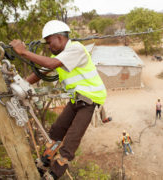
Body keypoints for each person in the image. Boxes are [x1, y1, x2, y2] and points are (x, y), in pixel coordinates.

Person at [10, 20, 107, 180]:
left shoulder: (76, 49)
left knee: (70, 142)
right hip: (76, 99)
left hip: (90, 100)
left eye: (49, 42)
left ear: (60, 38)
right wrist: (20, 86)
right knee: (56, 130)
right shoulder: (60, 56)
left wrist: (24, 52)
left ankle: (53, 175)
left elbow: (52, 63)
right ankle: (44, 162)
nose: (48, 46)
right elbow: (40, 73)